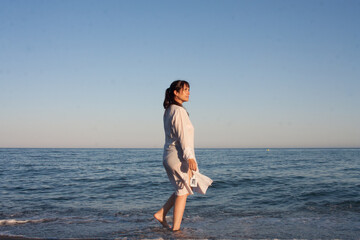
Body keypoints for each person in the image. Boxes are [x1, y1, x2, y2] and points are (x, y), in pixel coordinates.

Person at [154, 80, 198, 231]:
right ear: (176, 92)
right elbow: (183, 135)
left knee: (182, 189)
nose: (188, 92)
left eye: (189, 89)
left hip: (169, 155)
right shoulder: (178, 111)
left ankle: (162, 213)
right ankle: (176, 230)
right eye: (185, 89)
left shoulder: (169, 110)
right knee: (183, 192)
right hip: (178, 157)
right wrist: (189, 157)